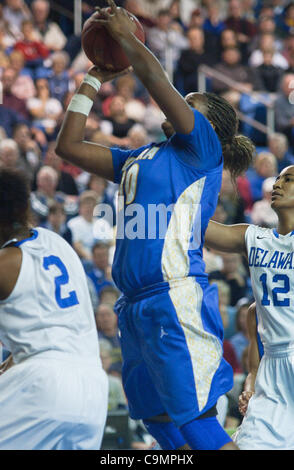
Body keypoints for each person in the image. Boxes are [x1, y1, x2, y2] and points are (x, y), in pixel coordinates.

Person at [56, 0, 255, 451]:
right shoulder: (138, 157)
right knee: (160, 421)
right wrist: (92, 78)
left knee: (199, 422)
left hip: (174, 296)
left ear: (206, 124)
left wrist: (128, 34)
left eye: (188, 104)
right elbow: (68, 146)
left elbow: (154, 79)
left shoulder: (202, 149)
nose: (177, 104)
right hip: (133, 305)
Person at [0, 167, 108, 450]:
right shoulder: (58, 243)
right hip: (93, 387)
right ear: (25, 206)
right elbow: (52, 319)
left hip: (42, 385)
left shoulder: (5, 264)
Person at [205, 164, 294, 449]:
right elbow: (200, 230)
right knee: (252, 443)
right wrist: (252, 378)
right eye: (277, 179)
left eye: (289, 179)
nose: (278, 184)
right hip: (273, 365)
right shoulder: (256, 238)